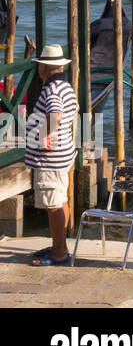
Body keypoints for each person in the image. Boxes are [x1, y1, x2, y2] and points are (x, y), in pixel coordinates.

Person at [26, 45, 78, 266]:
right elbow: (74, 109)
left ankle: (58, 253)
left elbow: (55, 114)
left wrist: (45, 135)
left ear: (43, 67)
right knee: (61, 201)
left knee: (54, 205)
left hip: (49, 160)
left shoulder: (52, 90)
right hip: (62, 155)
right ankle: (60, 246)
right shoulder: (65, 86)